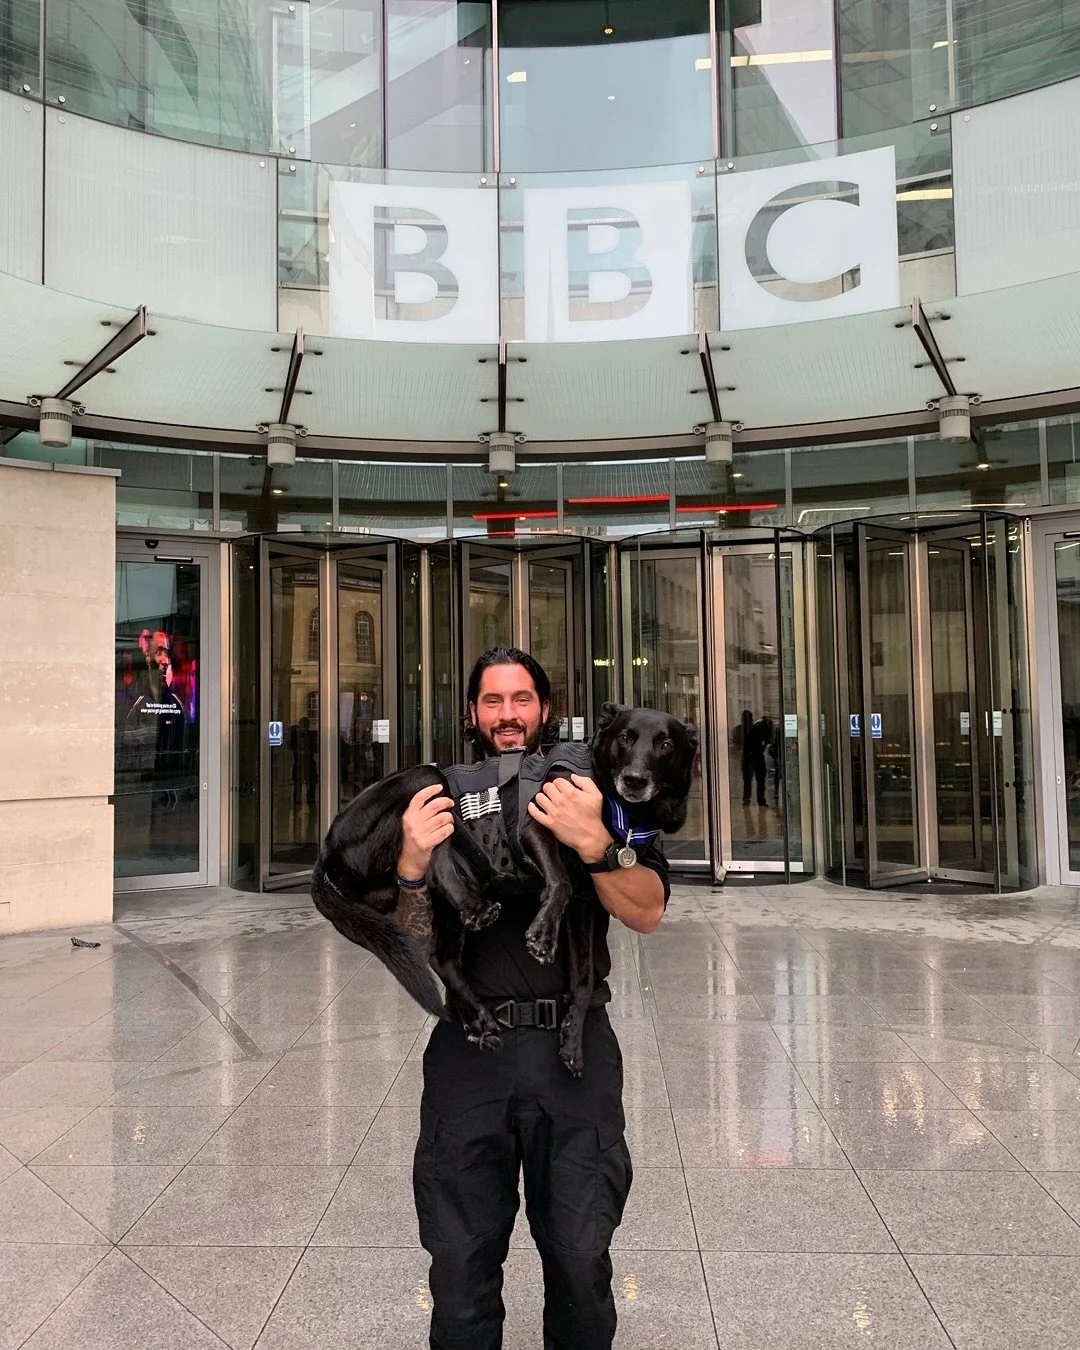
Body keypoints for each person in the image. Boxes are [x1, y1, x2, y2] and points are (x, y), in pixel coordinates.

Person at [394, 647, 670, 1350]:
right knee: (459, 1263)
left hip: (572, 1056)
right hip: (469, 1053)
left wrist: (597, 842)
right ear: (472, 714)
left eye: (521, 699)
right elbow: (412, 939)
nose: (508, 715)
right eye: (492, 701)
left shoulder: (592, 791)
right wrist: (412, 868)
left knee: (580, 1259)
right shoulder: (442, 799)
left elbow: (646, 911)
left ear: (544, 711)